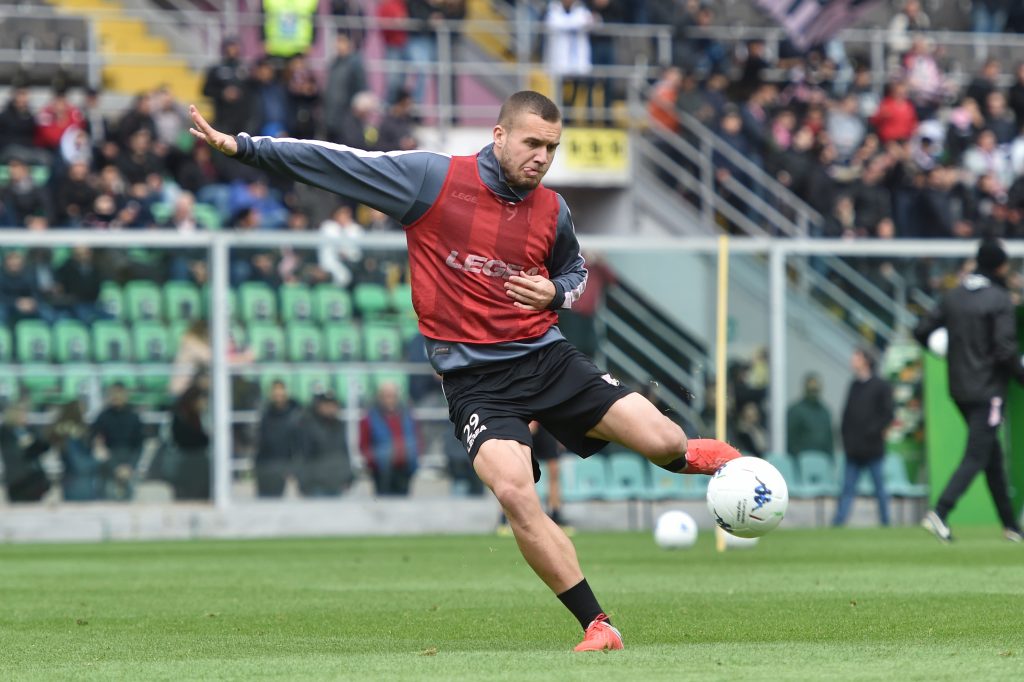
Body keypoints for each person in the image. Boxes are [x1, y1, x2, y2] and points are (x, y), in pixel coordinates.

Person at [188, 89, 740, 652]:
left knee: (664, 441)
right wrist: (245, 148)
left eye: (551, 148)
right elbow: (339, 163)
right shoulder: (432, 180)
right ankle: (598, 625)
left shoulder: (553, 210)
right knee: (515, 492)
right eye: (532, 143)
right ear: (499, 136)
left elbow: (574, 272)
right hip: (475, 382)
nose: (542, 157)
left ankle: (731, 470)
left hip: (546, 359)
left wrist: (555, 292)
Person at [914, 238, 1024, 543]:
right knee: (977, 455)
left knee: (991, 457)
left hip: (960, 389)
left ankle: (1011, 526)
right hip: (989, 391)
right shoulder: (999, 299)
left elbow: (921, 330)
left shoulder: (954, 297)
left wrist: (940, 349)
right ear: (999, 266)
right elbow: (1005, 350)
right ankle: (940, 512)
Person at [832, 348, 894, 528]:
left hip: (873, 448)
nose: (853, 360)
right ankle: (838, 523)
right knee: (847, 489)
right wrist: (845, 438)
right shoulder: (854, 385)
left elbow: (888, 414)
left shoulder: (881, 385)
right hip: (853, 449)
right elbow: (846, 415)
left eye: (856, 357)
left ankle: (886, 523)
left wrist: (872, 432)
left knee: (880, 489)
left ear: (866, 360)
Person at [360, 381, 420, 496]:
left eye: (393, 396)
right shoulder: (369, 418)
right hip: (381, 470)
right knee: (383, 501)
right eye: (386, 396)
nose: (390, 400)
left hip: (405, 467)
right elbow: (364, 444)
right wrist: (373, 462)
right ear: (379, 397)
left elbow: (417, 438)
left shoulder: (408, 415)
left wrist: (414, 457)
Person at [91, 382, 145, 501]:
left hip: (129, 464)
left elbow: (139, 446)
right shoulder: (102, 417)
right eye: (113, 394)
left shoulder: (134, 417)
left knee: (130, 500)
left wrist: (130, 466)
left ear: (126, 395)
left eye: (119, 393)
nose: (116, 397)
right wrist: (115, 467)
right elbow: (98, 445)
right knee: (106, 499)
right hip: (108, 464)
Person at [292, 391, 353, 497]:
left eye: (333, 405)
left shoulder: (340, 426)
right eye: (326, 404)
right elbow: (302, 455)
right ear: (319, 406)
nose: (330, 408)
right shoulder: (308, 426)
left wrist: (349, 476)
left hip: (336, 483)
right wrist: (303, 481)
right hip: (316, 485)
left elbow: (344, 452)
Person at [255, 379, 300, 497]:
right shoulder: (266, 413)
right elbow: (261, 440)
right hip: (268, 466)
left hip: (287, 465)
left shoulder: (295, 413)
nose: (278, 394)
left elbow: (299, 442)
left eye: (281, 390)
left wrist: (294, 466)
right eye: (275, 391)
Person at [0, 401, 51, 503]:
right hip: (17, 480)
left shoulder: (30, 430)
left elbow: (43, 446)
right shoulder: (5, 432)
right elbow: (15, 453)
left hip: (34, 479)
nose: (25, 417)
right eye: (21, 414)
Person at [786, 373, 834, 458]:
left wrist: (830, 457)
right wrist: (797, 458)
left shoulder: (824, 411)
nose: (813, 391)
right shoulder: (796, 411)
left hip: (823, 459)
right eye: (811, 389)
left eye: (815, 389)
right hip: (802, 459)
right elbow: (791, 439)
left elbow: (830, 438)